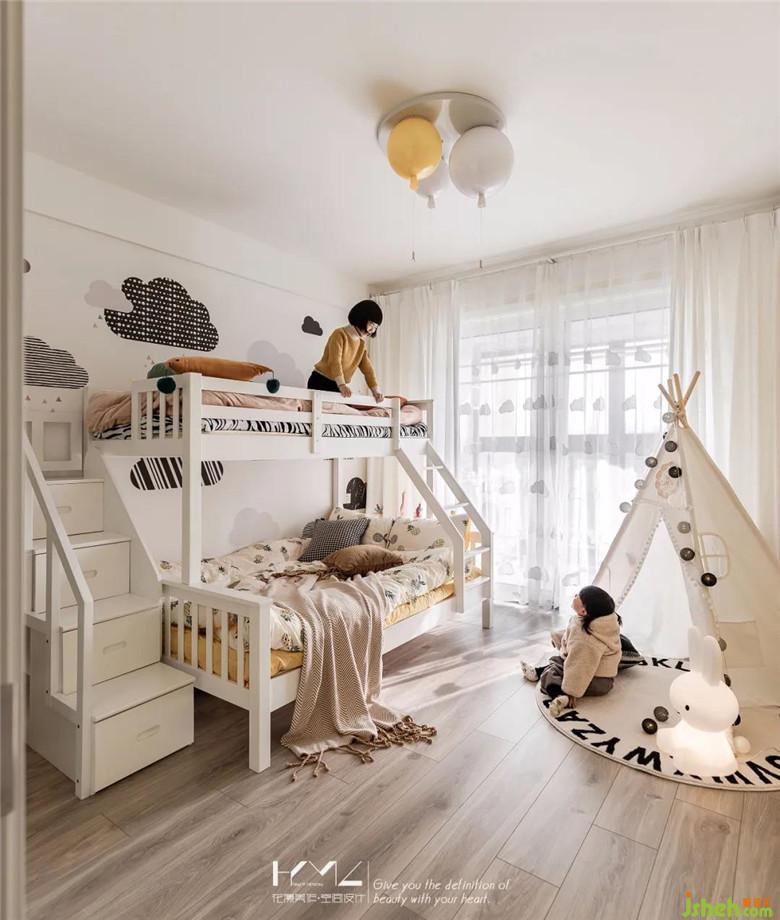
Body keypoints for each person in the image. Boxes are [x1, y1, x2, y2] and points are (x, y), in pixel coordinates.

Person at [520, 585, 622, 717]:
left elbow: (580, 666)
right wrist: (558, 638)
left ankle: (560, 696)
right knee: (558, 661)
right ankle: (538, 672)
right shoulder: (600, 622)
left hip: (597, 680)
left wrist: (571, 690)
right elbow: (572, 632)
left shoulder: (585, 640)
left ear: (584, 611)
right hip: (599, 671)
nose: (575, 595)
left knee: (551, 673)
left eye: (578, 596)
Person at [307, 300, 383, 402]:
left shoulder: (361, 344)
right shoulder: (339, 334)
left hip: (338, 384)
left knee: (343, 409)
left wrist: (376, 391)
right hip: (321, 380)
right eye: (371, 324)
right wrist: (342, 384)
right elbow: (335, 361)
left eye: (375, 327)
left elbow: (368, 370)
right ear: (362, 318)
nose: (372, 330)